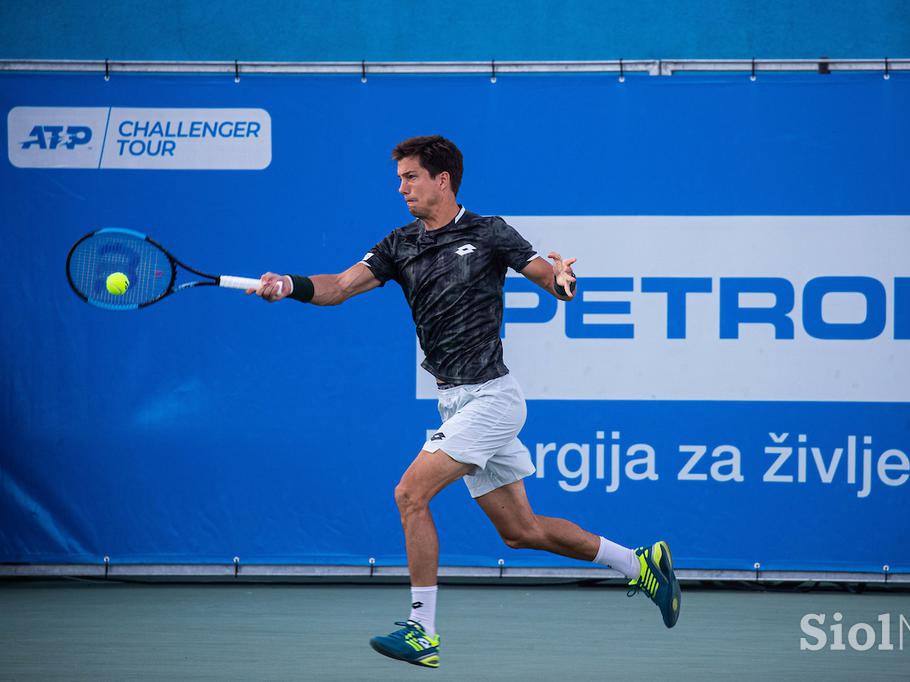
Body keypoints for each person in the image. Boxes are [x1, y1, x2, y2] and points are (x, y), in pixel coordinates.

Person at [251, 135, 680, 668]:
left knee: (410, 493)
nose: (401, 187)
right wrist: (288, 285)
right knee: (521, 531)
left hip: (493, 399)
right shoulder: (397, 244)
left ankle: (421, 630)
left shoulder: (489, 231)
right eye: (400, 178)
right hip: (453, 403)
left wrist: (567, 278)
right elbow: (339, 285)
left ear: (442, 180)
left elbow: (555, 284)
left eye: (410, 177)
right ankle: (640, 564)